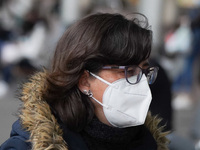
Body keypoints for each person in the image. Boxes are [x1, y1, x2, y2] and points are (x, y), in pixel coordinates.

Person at [0, 12, 169, 150]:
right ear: (85, 81)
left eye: (144, 71)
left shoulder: (151, 142)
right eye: (128, 71)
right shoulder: (27, 145)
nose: (141, 83)